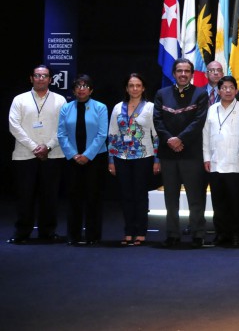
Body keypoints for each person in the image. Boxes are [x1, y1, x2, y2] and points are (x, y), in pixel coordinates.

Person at [153, 58, 209, 248]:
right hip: (168, 153)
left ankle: (198, 233)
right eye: (179, 71)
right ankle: (172, 234)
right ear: (174, 73)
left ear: (192, 74)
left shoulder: (201, 94)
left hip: (191, 153)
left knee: (196, 197)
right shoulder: (162, 94)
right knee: (170, 198)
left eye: (186, 71)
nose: (183, 74)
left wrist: (180, 139)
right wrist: (170, 139)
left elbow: (198, 122)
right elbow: (158, 121)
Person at [8, 65, 67, 244]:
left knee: (49, 196)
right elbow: (14, 126)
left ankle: (48, 232)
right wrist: (35, 147)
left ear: (50, 79)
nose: (41, 79)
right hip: (25, 154)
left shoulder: (60, 100)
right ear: (31, 78)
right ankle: (22, 232)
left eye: (44, 76)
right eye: (37, 75)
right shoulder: (20, 99)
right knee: (25, 196)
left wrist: (47, 147)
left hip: (53, 154)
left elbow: (63, 127)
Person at [107, 73, 160, 246]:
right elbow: (112, 134)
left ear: (143, 88)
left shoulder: (150, 107)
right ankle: (128, 231)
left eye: (138, 85)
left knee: (140, 195)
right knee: (126, 195)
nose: (135, 88)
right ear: (126, 88)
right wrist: (111, 160)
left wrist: (157, 159)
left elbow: (156, 135)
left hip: (144, 156)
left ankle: (141, 232)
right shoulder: (118, 107)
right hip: (121, 156)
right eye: (131, 85)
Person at [57, 74, 109, 245]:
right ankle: (73, 236)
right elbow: (61, 134)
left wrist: (87, 155)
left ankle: (93, 236)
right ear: (73, 90)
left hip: (95, 159)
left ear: (91, 90)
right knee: (74, 198)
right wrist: (73, 154)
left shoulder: (100, 107)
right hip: (73, 159)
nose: (81, 89)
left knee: (93, 197)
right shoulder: (66, 108)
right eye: (78, 86)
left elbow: (102, 134)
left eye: (85, 86)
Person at [202, 75, 239, 248]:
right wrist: (206, 158)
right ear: (219, 91)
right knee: (219, 202)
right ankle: (221, 233)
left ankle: (237, 234)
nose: (227, 91)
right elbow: (206, 135)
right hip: (215, 163)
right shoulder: (212, 109)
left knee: (237, 202)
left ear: (236, 90)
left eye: (231, 88)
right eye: (224, 88)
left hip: (236, 164)